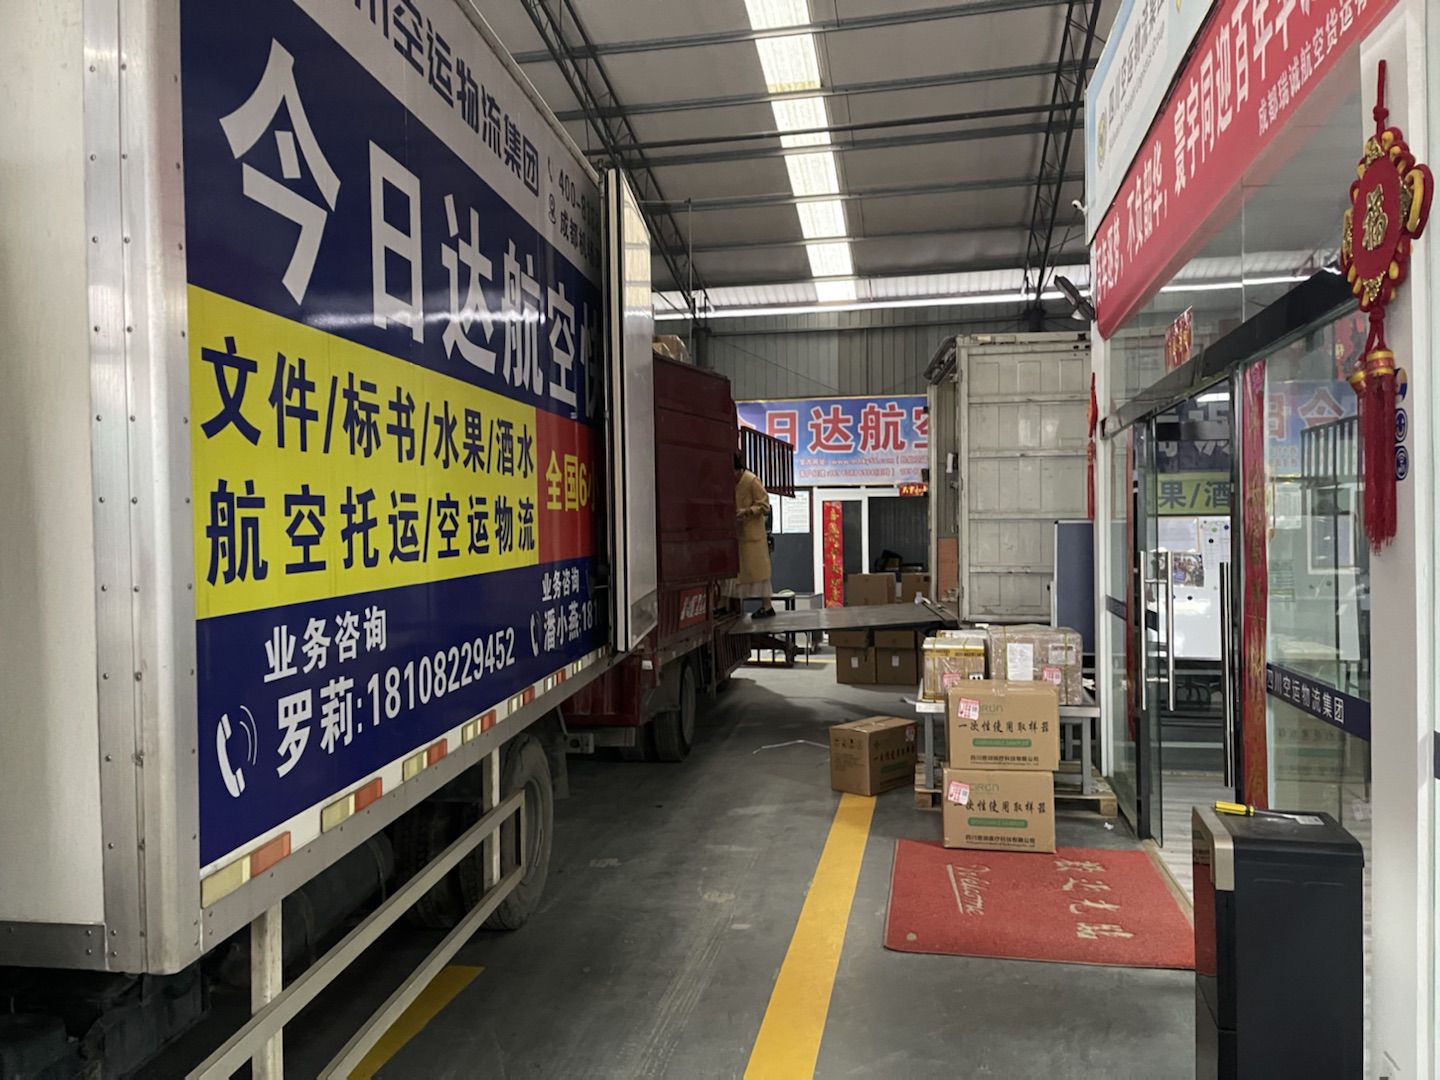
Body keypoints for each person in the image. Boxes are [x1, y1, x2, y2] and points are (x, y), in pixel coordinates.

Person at [734, 452, 776, 618]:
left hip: (753, 535)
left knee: (759, 573)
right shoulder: (732, 482)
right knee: (737, 574)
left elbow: (765, 505)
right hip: (739, 534)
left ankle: (767, 606)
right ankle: (730, 605)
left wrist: (748, 511)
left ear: (738, 469)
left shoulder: (751, 480)